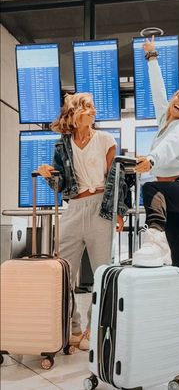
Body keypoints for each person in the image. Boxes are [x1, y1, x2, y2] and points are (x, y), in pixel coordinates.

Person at [38, 92, 124, 350]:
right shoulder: (62, 145)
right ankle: (71, 326)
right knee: (62, 272)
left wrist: (118, 211)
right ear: (74, 113)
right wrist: (47, 175)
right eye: (88, 107)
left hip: (101, 208)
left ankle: (92, 328)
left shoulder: (106, 140)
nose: (93, 111)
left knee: (102, 273)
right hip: (74, 209)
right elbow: (60, 185)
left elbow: (116, 179)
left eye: (93, 107)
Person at [133, 36, 179, 321]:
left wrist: (151, 160)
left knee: (151, 186)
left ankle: (154, 236)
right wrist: (152, 58)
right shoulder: (167, 121)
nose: (178, 101)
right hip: (177, 195)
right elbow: (157, 92)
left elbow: (168, 149)